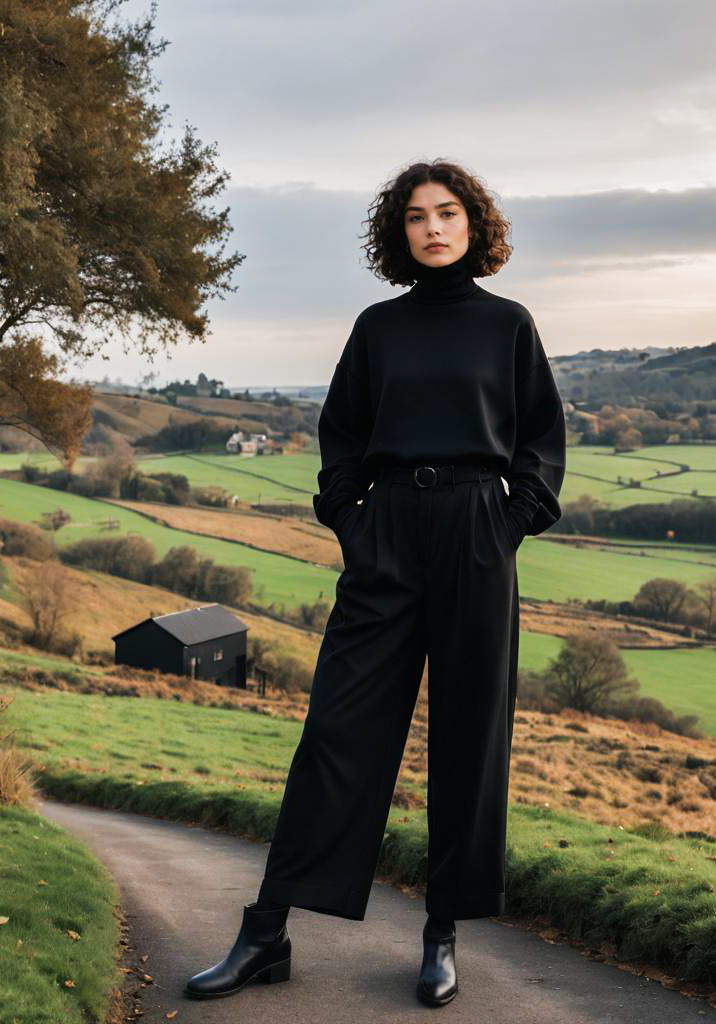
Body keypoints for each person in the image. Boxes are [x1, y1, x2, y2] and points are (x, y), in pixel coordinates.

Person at [183, 158, 567, 1007]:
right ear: (399, 234)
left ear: (474, 225)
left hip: (475, 536)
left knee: (469, 742)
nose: (433, 227)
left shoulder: (508, 325)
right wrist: (354, 524)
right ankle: (266, 929)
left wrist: (507, 525)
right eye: (417, 217)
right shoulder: (376, 328)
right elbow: (340, 439)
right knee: (337, 732)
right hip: (385, 537)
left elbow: (542, 443)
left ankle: (441, 932)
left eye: (448, 213)